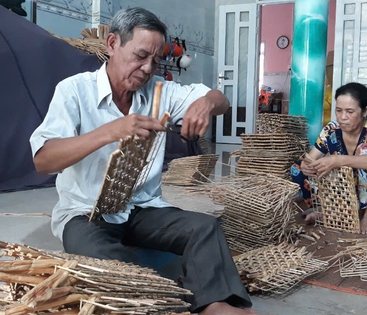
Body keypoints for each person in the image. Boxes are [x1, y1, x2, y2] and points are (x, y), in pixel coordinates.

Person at [29, 7, 260, 315]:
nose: (148, 68)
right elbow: (43, 160)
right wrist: (109, 131)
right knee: (103, 258)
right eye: (140, 56)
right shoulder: (74, 91)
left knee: (203, 227)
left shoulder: (161, 92)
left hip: (142, 209)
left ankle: (215, 304)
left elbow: (222, 100)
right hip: (85, 213)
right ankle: (161, 302)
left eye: (156, 59)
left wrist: (205, 104)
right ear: (112, 45)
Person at [291, 82, 367, 234]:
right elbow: (310, 158)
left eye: (350, 111)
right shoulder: (330, 131)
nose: (343, 117)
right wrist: (307, 166)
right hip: (344, 197)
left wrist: (339, 160)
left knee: (365, 151)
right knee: (296, 168)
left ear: (365, 111)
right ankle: (330, 210)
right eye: (338, 110)